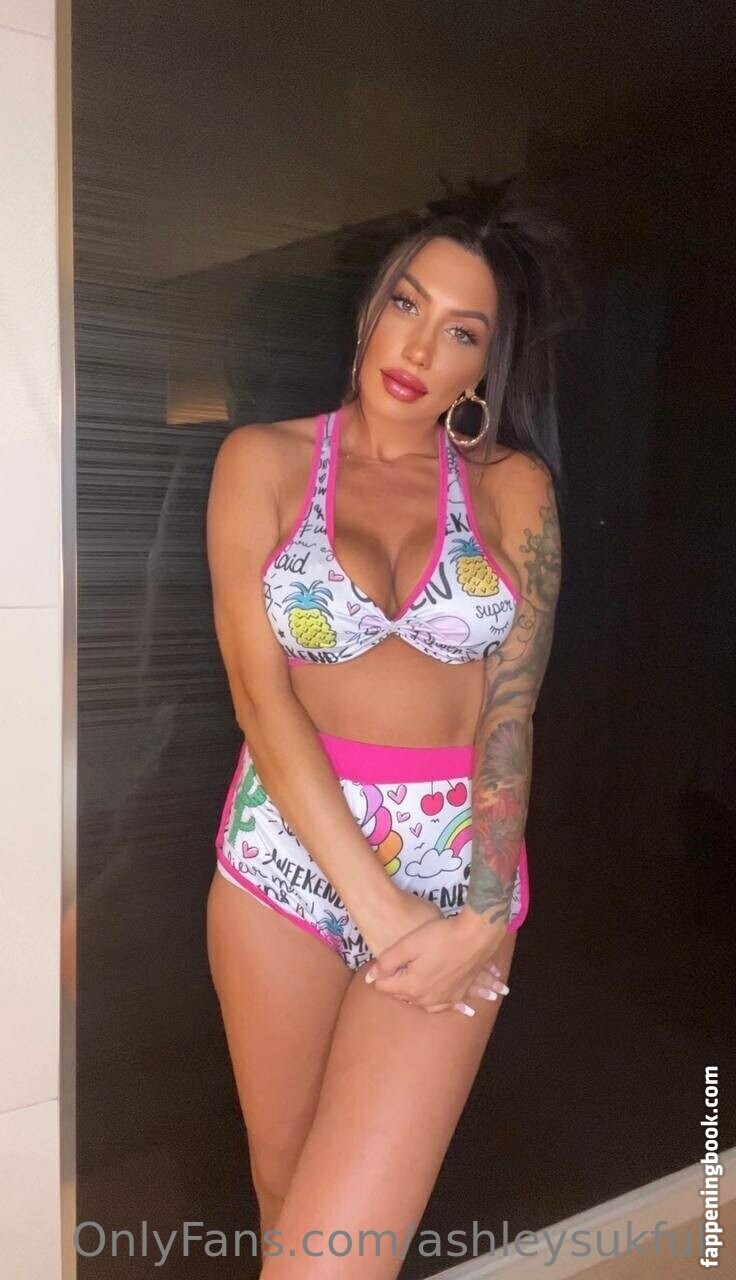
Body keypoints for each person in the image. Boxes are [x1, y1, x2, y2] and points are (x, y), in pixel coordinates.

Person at [206, 190, 580, 1278]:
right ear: (371, 307)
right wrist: (375, 905)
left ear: (484, 365)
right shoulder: (263, 461)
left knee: (337, 1256)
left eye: (461, 331)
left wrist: (480, 911)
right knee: (286, 1200)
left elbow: (512, 711)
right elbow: (260, 701)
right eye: (407, 305)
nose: (418, 348)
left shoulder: (513, 487)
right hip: (286, 858)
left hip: (455, 870)